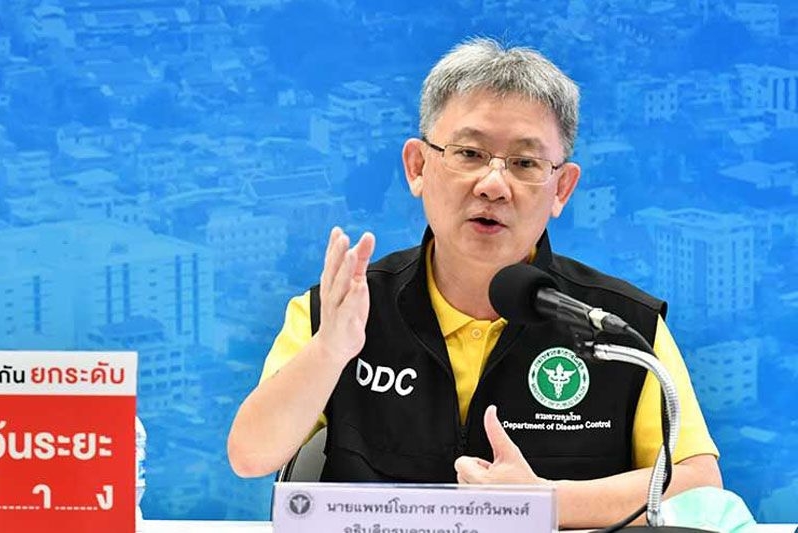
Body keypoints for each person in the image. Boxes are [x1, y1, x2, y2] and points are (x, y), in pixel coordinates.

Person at [227, 37, 722, 528]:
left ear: (562, 188)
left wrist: (545, 502)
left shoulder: (617, 325)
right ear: (418, 167)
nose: (493, 185)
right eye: (468, 153)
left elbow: (699, 485)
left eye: (525, 163)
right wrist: (330, 351)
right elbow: (251, 455)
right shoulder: (342, 308)